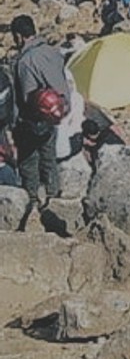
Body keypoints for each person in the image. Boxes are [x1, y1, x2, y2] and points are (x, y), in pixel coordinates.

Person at [7, 15, 73, 231]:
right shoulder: (52, 52)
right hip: (54, 115)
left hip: (32, 121)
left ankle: (32, 202)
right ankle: (54, 197)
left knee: (29, 163)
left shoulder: (25, 61)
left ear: (18, 35)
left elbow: (27, 96)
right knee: (49, 158)